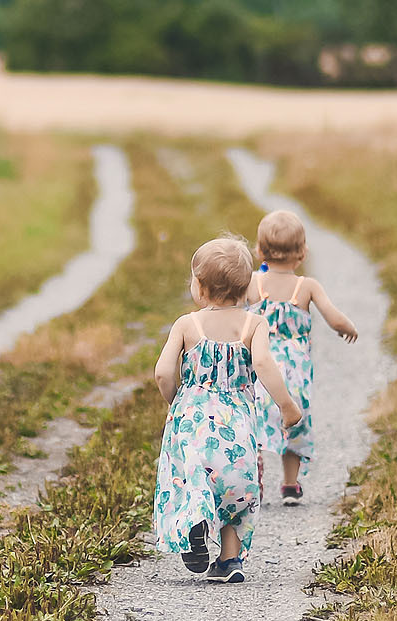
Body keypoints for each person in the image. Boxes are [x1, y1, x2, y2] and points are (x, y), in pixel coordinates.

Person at [151, 235, 303, 584]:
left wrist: (176, 400)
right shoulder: (254, 324)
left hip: (191, 419)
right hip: (237, 421)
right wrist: (286, 405)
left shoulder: (186, 325)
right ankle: (229, 560)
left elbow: (162, 373)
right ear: (246, 286)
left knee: (193, 479)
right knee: (233, 486)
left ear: (200, 287)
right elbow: (263, 364)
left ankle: (195, 525)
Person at [246, 208, 360, 505]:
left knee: (254, 423)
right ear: (302, 253)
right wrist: (347, 327)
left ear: (259, 251)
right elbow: (333, 317)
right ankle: (289, 484)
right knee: (293, 423)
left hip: (260, 368)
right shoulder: (306, 286)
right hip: (295, 373)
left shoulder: (253, 284)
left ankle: (253, 475)